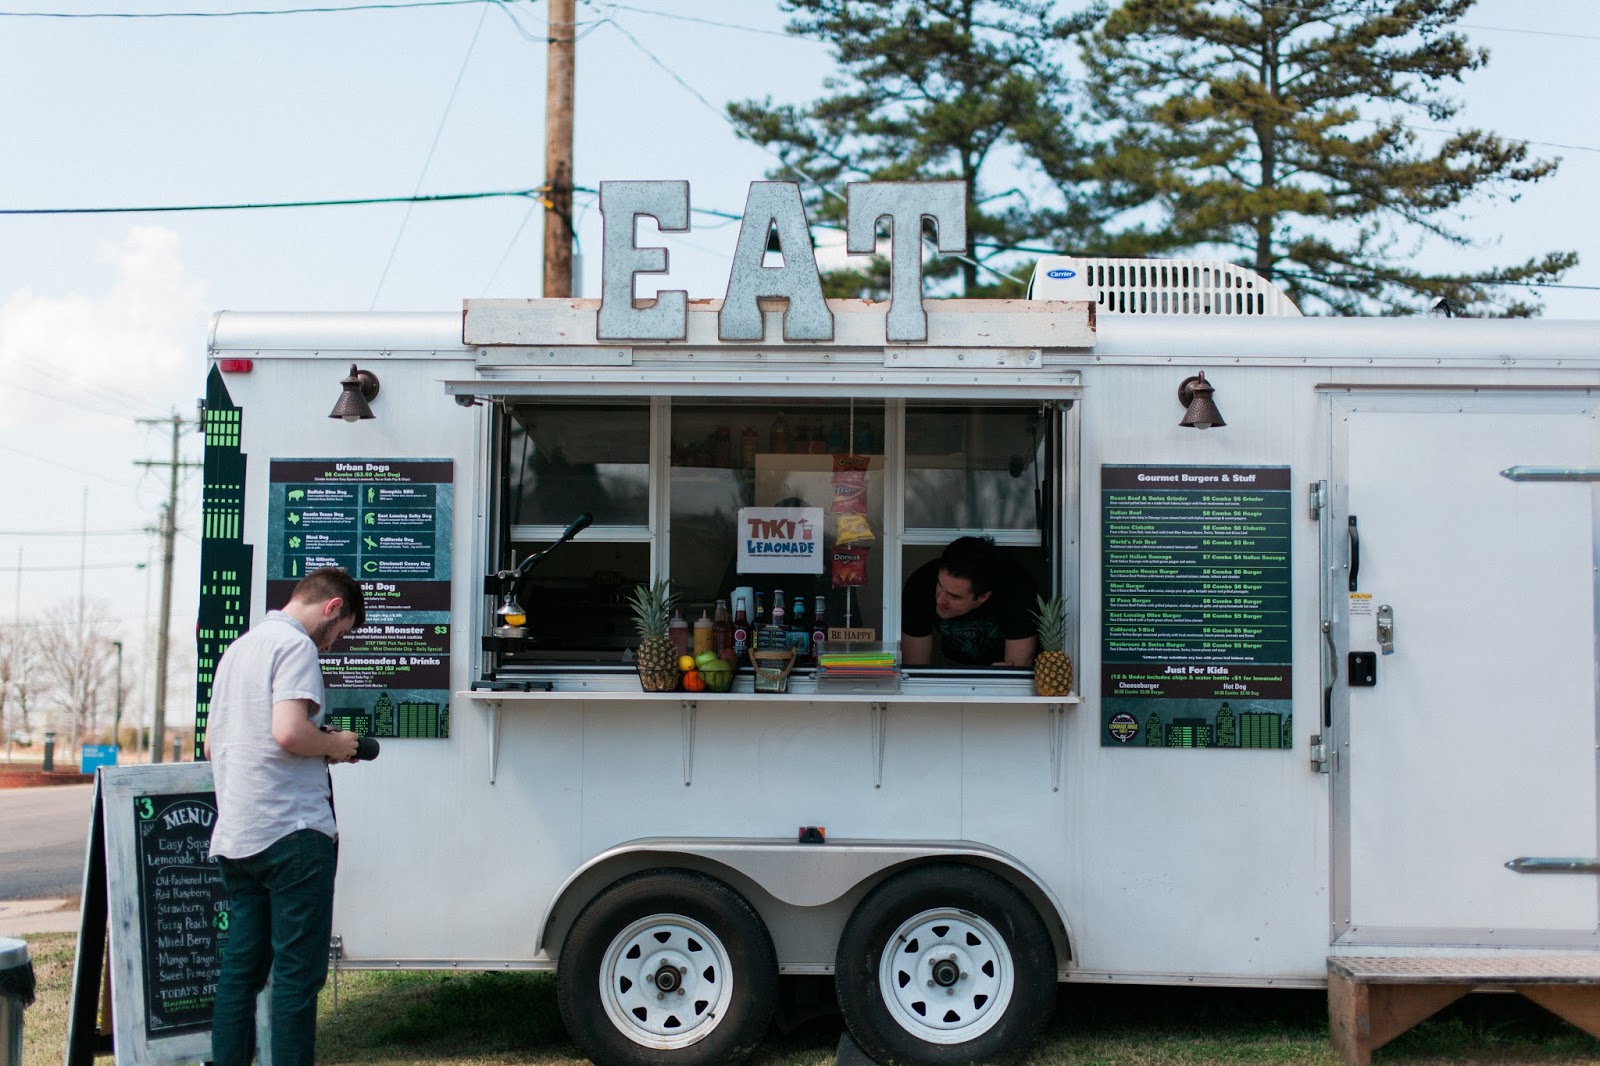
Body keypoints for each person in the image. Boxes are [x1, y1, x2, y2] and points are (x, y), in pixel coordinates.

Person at [205, 567, 365, 1066]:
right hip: (292, 833)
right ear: (332, 607)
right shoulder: (296, 646)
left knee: (241, 973)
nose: (332, 645)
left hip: (238, 833)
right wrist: (336, 745)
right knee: (297, 976)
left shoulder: (238, 649)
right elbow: (290, 732)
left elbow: (212, 743)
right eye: (340, 632)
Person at [901, 535, 1037, 668]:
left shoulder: (1016, 591)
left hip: (998, 666)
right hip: (949, 663)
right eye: (940, 585)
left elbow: (1015, 670)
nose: (940, 600)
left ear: (983, 597)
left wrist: (993, 677)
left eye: (954, 596)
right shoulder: (921, 583)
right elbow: (914, 669)